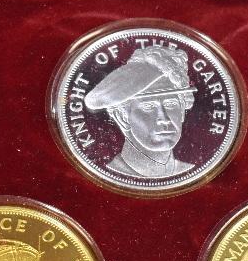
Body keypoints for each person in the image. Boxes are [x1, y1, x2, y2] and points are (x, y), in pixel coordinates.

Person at [84, 44, 197, 178]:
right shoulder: (108, 172)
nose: (164, 119)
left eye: (171, 104)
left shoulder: (189, 170)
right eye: (148, 106)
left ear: (182, 111)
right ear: (122, 117)